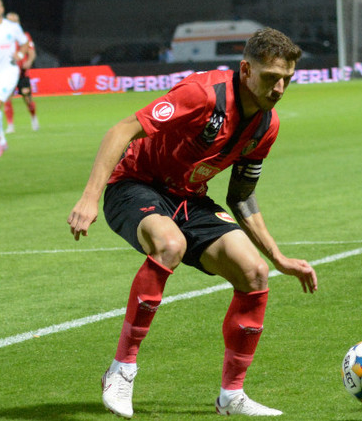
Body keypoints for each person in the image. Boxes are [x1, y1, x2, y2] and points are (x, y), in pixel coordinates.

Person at [67, 27, 318, 418]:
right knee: (170, 244)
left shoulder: (266, 126)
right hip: (135, 184)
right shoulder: (202, 94)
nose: (280, 89)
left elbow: (241, 196)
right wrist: (89, 197)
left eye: (288, 79)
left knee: (254, 273)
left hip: (189, 199)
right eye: (271, 78)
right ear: (246, 69)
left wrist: (278, 257)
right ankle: (121, 370)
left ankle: (231, 396)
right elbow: (122, 129)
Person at [0, 0, 32, 157]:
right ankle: (1, 140)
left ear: (2, 9)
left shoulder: (12, 27)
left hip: (8, 72)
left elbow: (25, 42)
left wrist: (19, 54)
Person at [3, 12, 38, 133]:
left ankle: (33, 117)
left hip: (22, 73)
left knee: (26, 96)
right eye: (9, 21)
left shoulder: (24, 36)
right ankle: (10, 125)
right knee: (7, 98)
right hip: (8, 73)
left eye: (14, 21)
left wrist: (28, 61)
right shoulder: (2, 36)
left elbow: (32, 52)